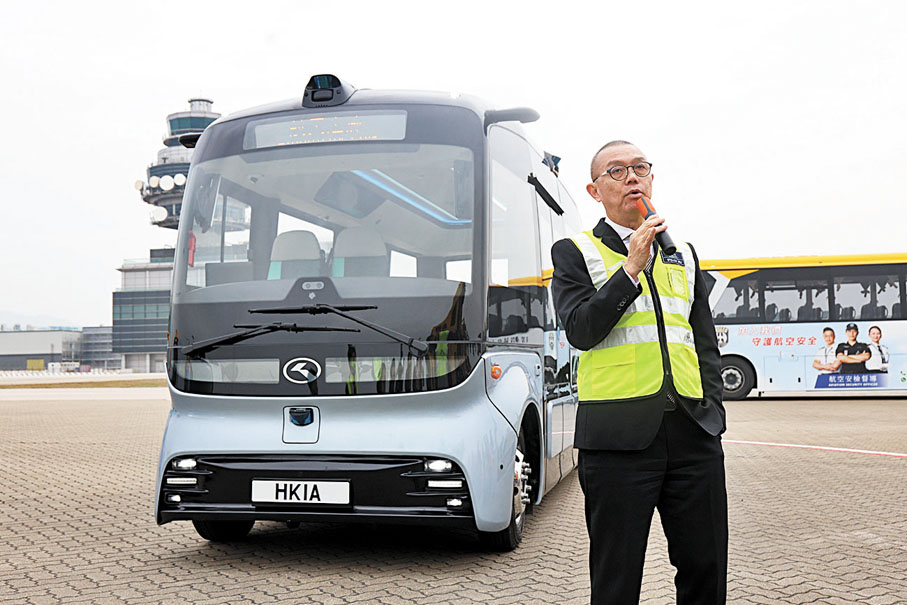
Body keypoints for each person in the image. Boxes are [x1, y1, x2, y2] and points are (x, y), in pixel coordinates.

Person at [551, 140, 727, 604]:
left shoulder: (683, 254)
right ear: (594, 190)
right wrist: (631, 268)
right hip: (616, 440)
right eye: (617, 171)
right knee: (617, 576)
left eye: (640, 168)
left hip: (693, 432)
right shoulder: (575, 252)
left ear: (652, 180)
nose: (632, 177)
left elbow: (703, 341)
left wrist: (714, 413)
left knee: (705, 569)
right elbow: (581, 330)